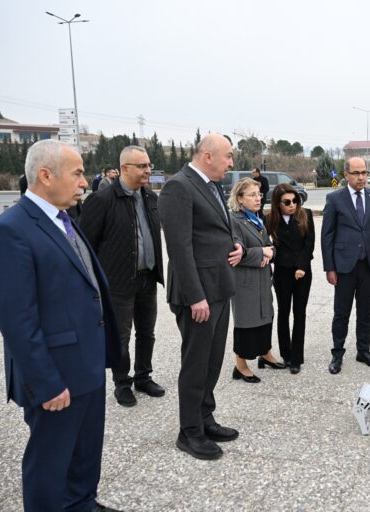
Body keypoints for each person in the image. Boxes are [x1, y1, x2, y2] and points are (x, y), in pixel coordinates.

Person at [0, 140, 122, 512]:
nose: (84, 182)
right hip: (56, 376)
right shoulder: (11, 231)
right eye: (77, 173)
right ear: (46, 175)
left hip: (87, 366)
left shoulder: (64, 220)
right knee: (50, 463)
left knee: (85, 455)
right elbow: (16, 320)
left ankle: (81, 503)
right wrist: (46, 382)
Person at [158, 133, 244, 461]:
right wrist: (196, 296)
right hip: (198, 295)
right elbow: (179, 247)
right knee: (196, 364)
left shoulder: (209, 184)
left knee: (211, 362)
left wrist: (235, 242)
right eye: (228, 156)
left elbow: (220, 225)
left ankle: (205, 418)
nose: (231, 163)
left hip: (219, 287)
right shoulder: (179, 186)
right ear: (207, 156)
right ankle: (189, 431)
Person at [80, 145, 165, 407]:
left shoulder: (151, 198)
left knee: (147, 332)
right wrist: (94, 283)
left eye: (149, 165)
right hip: (118, 282)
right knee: (121, 336)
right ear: (125, 169)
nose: (148, 170)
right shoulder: (102, 200)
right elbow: (86, 245)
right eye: (142, 166)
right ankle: (121, 382)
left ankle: (143, 376)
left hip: (147, 278)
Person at [322, 157, 370, 374]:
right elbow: (327, 236)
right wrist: (329, 267)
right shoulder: (334, 199)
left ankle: (364, 351)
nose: (362, 177)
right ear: (346, 175)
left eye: (364, 173)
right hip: (344, 266)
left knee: (366, 311)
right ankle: (337, 354)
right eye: (357, 173)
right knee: (341, 313)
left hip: (369, 264)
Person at [227, 178, 284, 382]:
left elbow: (270, 246)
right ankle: (240, 366)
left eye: (258, 194)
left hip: (262, 280)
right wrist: (262, 252)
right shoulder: (234, 220)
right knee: (246, 323)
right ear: (240, 199)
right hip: (245, 282)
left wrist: (269, 252)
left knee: (266, 317)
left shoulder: (257, 219)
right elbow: (234, 254)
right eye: (252, 195)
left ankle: (266, 355)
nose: (258, 198)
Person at [266, 183, 315, 375]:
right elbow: (265, 242)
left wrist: (302, 266)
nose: (292, 205)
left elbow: (309, 245)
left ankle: (297, 357)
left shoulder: (306, 215)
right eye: (287, 202)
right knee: (283, 311)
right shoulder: (270, 219)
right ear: (278, 203)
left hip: (303, 272)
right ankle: (285, 354)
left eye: (295, 201)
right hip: (282, 272)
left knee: (299, 313)